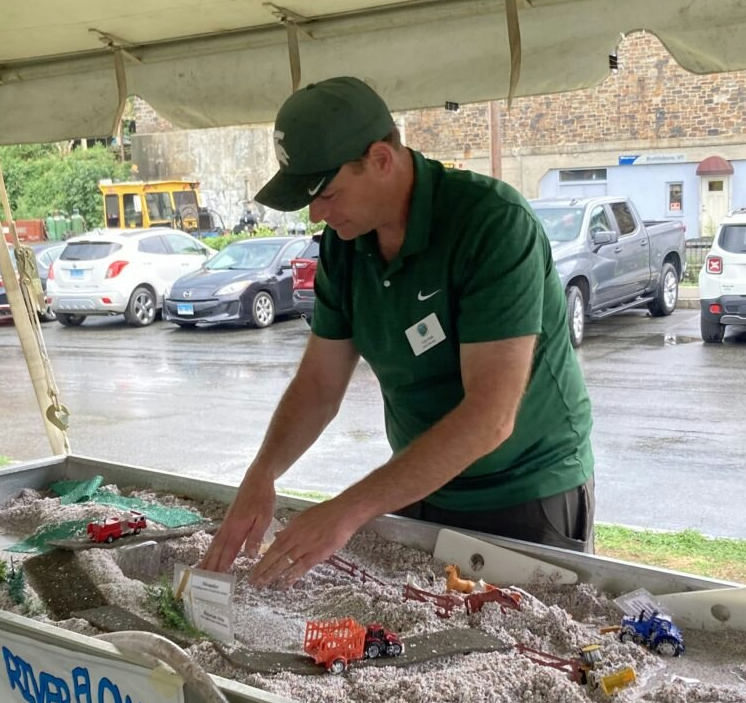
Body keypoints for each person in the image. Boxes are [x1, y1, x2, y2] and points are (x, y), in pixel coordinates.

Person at [203, 76, 595, 586]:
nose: (316, 213)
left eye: (326, 193)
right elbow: (319, 385)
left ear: (381, 160)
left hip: (526, 494)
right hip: (418, 487)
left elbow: (491, 417)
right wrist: (263, 473)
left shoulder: (493, 224)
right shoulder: (345, 245)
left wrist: (345, 512)